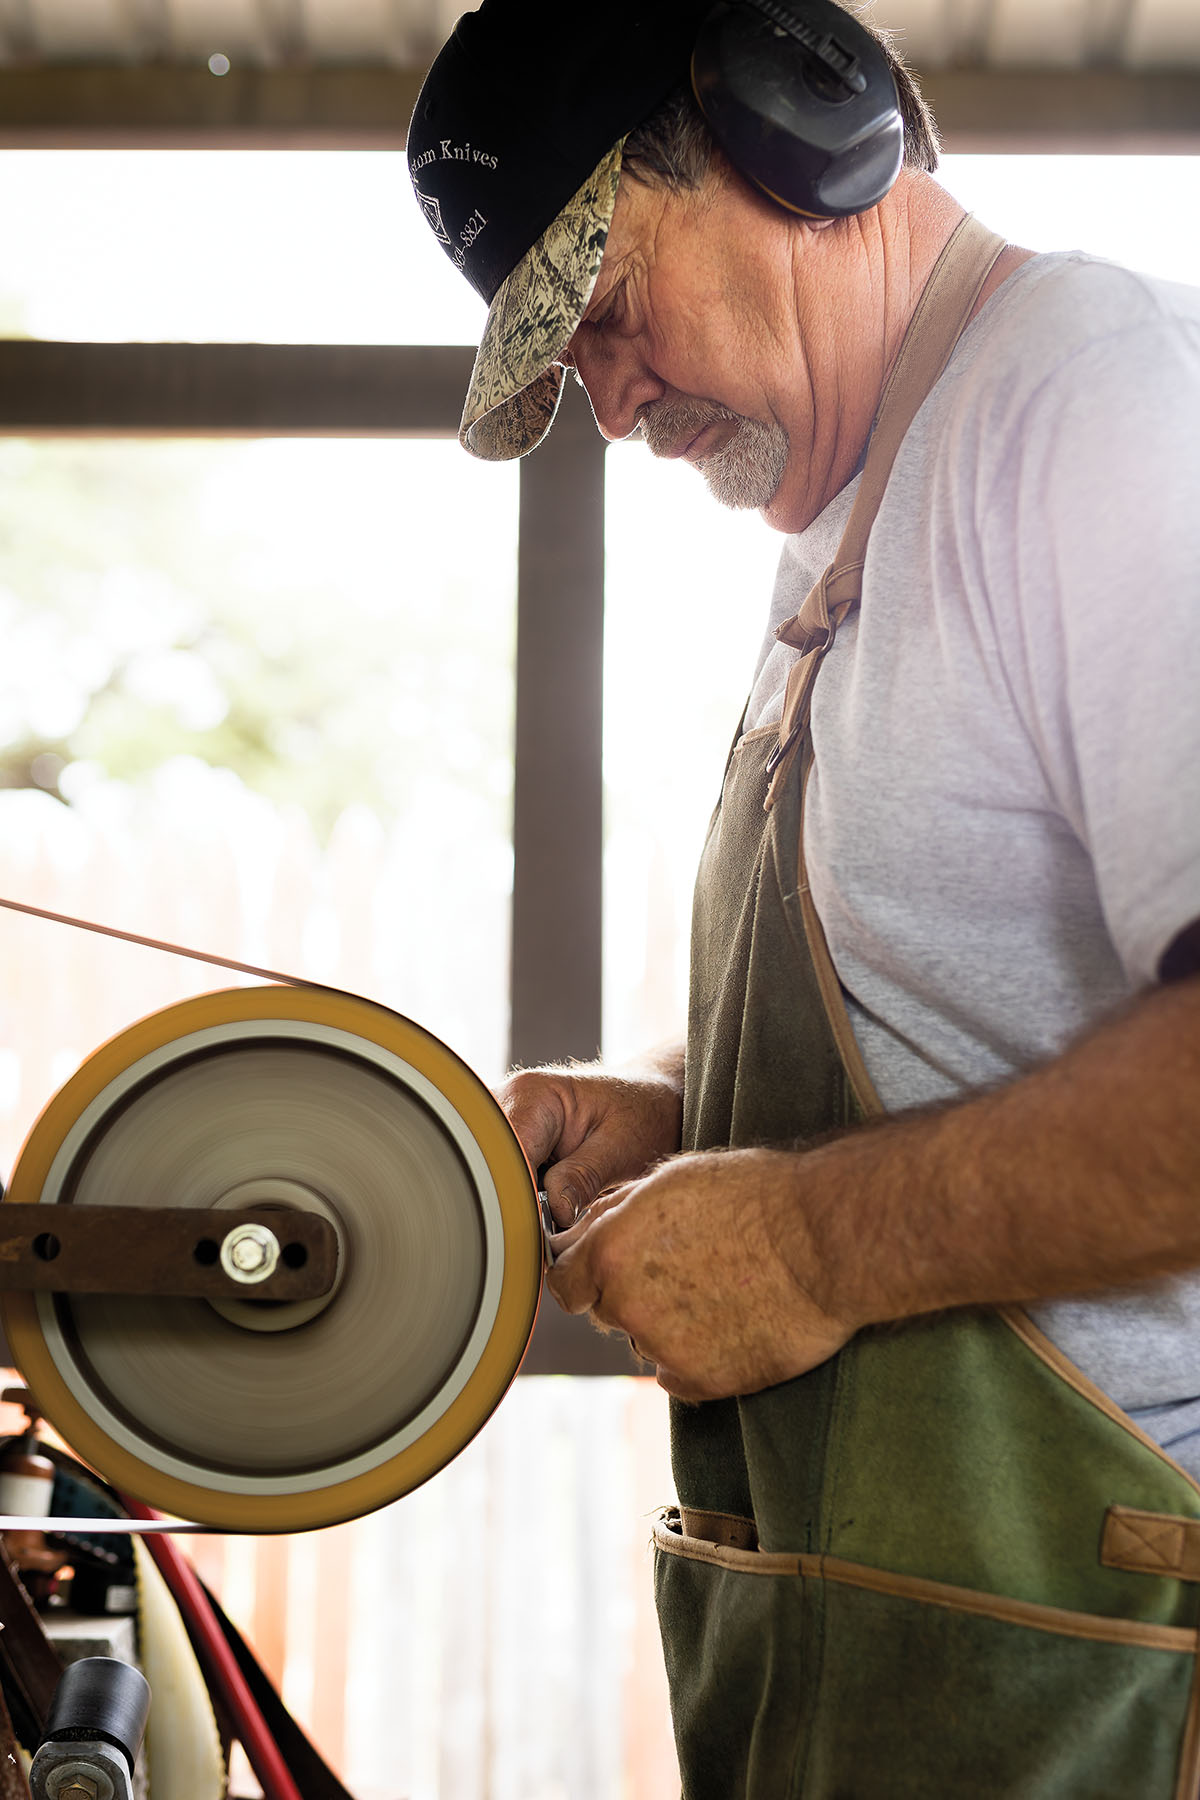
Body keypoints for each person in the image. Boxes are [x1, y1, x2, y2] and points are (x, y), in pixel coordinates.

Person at [409, 2, 1200, 1794]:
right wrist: (688, 1114)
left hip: (1111, 1674)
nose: (606, 408)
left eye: (606, 317)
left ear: (801, 140)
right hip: (900, 1660)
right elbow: (988, 1012)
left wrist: (812, 1241)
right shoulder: (853, 530)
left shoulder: (1098, 408)